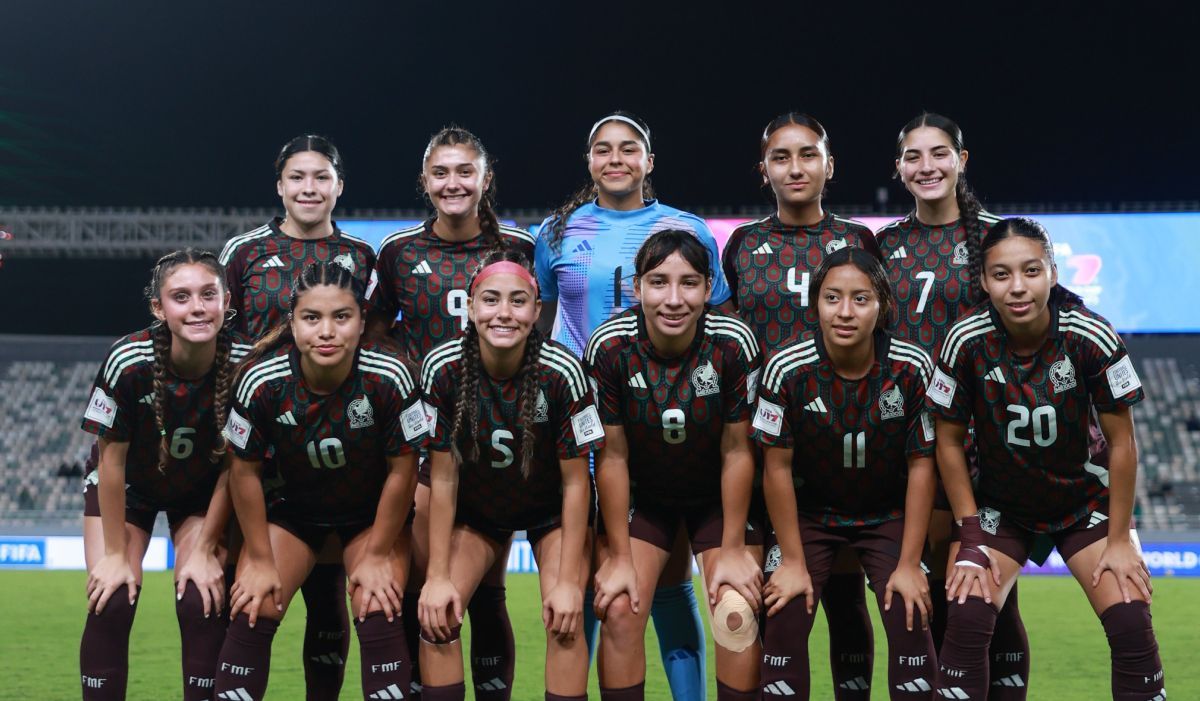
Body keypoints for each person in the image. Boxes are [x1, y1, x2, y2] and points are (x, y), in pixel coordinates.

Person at [535, 110, 731, 700]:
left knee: (665, 584)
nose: (615, 158)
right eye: (603, 149)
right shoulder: (556, 232)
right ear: (589, 161)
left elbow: (716, 325)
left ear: (649, 161)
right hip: (581, 425)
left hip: (658, 427)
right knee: (589, 583)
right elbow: (541, 324)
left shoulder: (685, 228)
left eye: (628, 148)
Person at [929, 217, 1165, 700]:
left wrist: (1120, 540)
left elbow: (1123, 443)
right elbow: (947, 443)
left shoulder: (1090, 335)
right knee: (966, 612)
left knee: (1130, 615)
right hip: (1002, 507)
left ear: (1053, 274)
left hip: (1083, 502)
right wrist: (969, 535)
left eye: (1031, 271)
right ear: (984, 282)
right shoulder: (965, 339)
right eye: (1001, 274)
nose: (1017, 286)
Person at [721, 112, 882, 697]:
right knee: (761, 603)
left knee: (844, 597)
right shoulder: (742, 244)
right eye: (781, 157)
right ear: (763, 170)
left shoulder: (859, 241)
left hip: (841, 445)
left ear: (829, 166)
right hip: (762, 446)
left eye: (808, 154)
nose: (795, 168)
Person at [213, 262, 425, 700]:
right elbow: (243, 472)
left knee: (376, 601)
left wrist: (378, 554)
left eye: (341, 317)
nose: (326, 331)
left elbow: (404, 471)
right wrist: (260, 559)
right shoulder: (260, 380)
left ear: (362, 322)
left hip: (370, 518)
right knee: (255, 603)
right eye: (312, 318)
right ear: (292, 323)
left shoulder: (391, 376)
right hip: (293, 515)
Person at [374, 127, 536, 700]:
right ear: (424, 181)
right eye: (440, 172)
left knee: (489, 588)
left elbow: (533, 329)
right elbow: (374, 335)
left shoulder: (518, 246)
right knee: (424, 582)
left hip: (497, 441)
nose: (453, 183)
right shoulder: (398, 252)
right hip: (427, 444)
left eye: (465, 171)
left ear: (485, 179)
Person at [875, 112, 1030, 696]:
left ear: (962, 160)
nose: (927, 166)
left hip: (982, 441)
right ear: (898, 168)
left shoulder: (995, 237)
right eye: (913, 156)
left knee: (989, 596)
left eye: (939, 153)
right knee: (939, 594)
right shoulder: (884, 245)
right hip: (908, 440)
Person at [218, 134, 377, 698]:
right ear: (280, 186)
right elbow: (218, 341)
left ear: (339, 186)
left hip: (337, 445)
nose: (309, 188)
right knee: (243, 592)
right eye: (297, 177)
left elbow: (375, 343)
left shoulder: (362, 256)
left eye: (321, 177)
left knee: (329, 596)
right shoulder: (243, 253)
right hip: (257, 446)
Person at [752, 247, 937, 700]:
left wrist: (909, 564)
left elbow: (922, 466)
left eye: (861, 299)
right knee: (783, 609)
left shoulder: (911, 367)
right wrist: (792, 561)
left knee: (910, 609)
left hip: (886, 515)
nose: (845, 312)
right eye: (832, 298)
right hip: (810, 517)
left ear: (882, 305)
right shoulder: (786, 369)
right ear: (815, 303)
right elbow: (776, 468)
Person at [586, 230, 762, 701]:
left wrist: (732, 548)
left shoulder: (733, 343)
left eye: (689, 283)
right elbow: (612, 455)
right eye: (659, 282)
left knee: (735, 612)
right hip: (647, 500)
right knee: (619, 607)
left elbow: (737, 450)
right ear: (637, 287)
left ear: (709, 288)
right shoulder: (610, 347)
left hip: (717, 501)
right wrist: (619, 557)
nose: (674, 299)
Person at [417, 249, 599, 701]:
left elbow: (577, 482)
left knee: (564, 620)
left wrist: (568, 583)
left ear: (537, 311)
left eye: (518, 301)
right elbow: (443, 479)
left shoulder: (564, 372)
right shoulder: (442, 369)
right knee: (439, 617)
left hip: (550, 513)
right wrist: (436, 576)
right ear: (470, 307)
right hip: (476, 511)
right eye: (491, 300)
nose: (504, 313)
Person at [79, 249, 249, 700]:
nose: (197, 307)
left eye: (208, 294)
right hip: (129, 488)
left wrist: (205, 547)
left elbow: (237, 466)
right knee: (112, 597)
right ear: (159, 308)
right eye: (181, 297)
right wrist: (115, 554)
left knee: (201, 598)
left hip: (204, 492)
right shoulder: (127, 359)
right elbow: (110, 462)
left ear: (226, 300)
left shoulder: (247, 363)